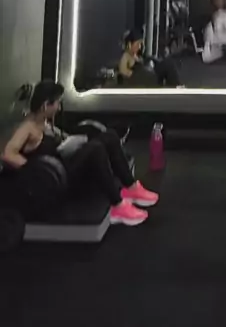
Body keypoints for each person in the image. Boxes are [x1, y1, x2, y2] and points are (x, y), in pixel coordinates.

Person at [1, 80, 158, 226]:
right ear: (45, 105)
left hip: (65, 162)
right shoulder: (27, 127)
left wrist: (73, 141)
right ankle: (117, 206)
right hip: (58, 179)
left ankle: (130, 187)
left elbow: (59, 141)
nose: (59, 108)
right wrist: (34, 169)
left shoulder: (44, 123)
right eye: (57, 103)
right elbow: (7, 154)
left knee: (109, 136)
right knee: (95, 148)